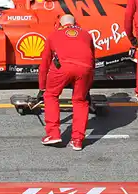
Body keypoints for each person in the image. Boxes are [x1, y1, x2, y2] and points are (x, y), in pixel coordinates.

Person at [37, 15, 96, 152]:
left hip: (62, 68)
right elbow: (92, 60)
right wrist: (88, 87)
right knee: (80, 101)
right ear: (76, 23)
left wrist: (42, 87)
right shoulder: (86, 34)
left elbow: (44, 65)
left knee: (51, 95)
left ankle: (53, 134)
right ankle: (77, 140)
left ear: (59, 24)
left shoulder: (53, 35)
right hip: (84, 68)